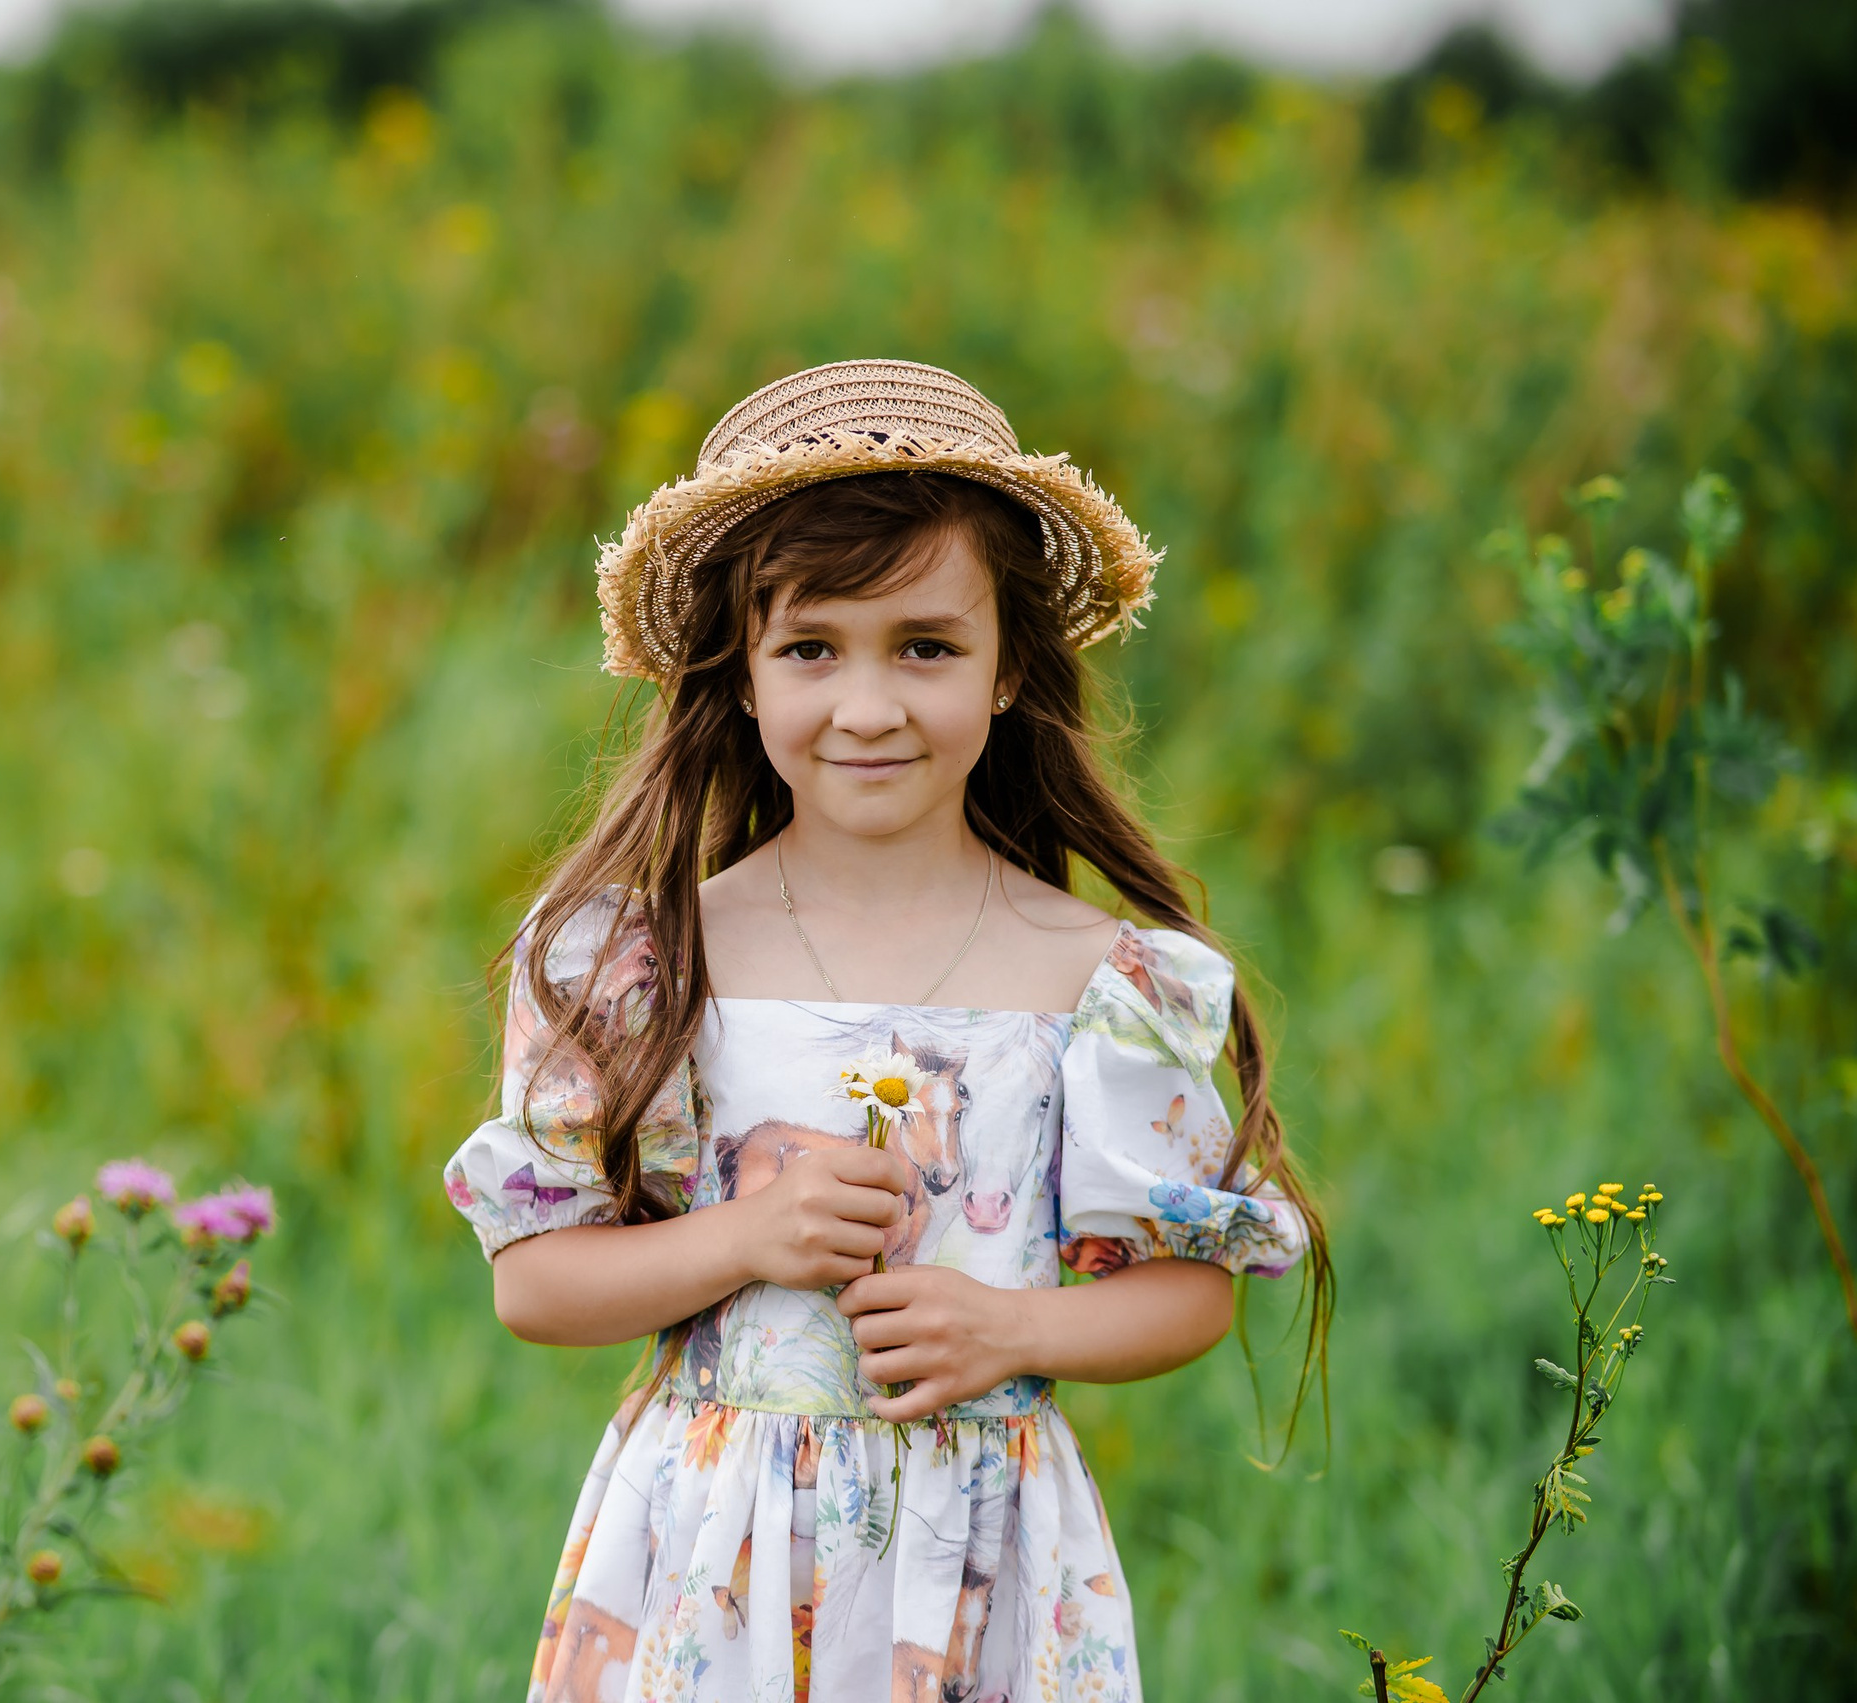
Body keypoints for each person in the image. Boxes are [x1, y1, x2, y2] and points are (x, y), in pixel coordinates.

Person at [442, 360, 1328, 1702]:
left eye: (926, 646)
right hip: (713, 1558)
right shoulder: (644, 959)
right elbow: (537, 1284)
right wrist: (745, 1238)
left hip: (984, 1558)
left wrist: (1010, 1331)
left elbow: (1187, 1289)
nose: (868, 706)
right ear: (738, 676)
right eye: (811, 649)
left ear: (1013, 669)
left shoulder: (1100, 979)